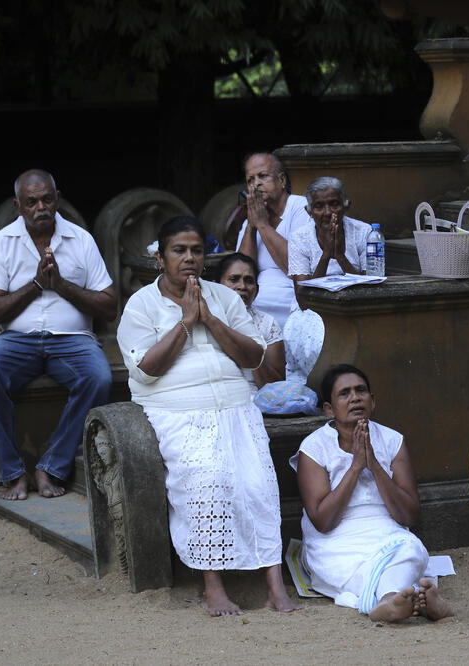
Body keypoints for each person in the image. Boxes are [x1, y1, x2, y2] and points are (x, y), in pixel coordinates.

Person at [117, 216, 301, 616]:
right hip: (178, 411)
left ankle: (274, 585)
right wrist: (185, 323)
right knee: (207, 479)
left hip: (236, 406)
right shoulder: (141, 305)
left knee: (259, 484)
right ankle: (213, 586)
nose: (188, 258)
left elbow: (254, 356)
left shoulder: (225, 297)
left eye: (196, 251)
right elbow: (146, 368)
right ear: (161, 258)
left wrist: (211, 319)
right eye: (178, 250)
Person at [0, 169, 116, 501]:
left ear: (57, 198)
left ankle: (51, 466)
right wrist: (36, 286)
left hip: (73, 339)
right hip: (15, 341)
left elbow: (108, 307)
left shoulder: (81, 240)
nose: (41, 207)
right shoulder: (1, 242)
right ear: (18, 205)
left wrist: (60, 285)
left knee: (98, 377)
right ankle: (12, 471)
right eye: (32, 201)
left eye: (47, 199)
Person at [289, 364, 452, 622]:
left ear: (372, 401)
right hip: (335, 542)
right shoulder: (314, 447)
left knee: (411, 548)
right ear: (329, 409)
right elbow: (322, 521)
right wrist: (355, 468)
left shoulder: (392, 440)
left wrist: (374, 465)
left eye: (361, 391)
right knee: (345, 566)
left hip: (388, 533)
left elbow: (408, 516)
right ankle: (410, 599)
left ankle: (390, 600)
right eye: (345, 393)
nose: (355, 397)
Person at [235, 152, 312, 328]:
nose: (256, 184)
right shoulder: (252, 219)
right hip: (254, 301)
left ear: (282, 180)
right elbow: (241, 269)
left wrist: (263, 225)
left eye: (262, 176)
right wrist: (252, 225)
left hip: (293, 302)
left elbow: (296, 267)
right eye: (250, 180)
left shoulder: (301, 209)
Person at [216, 252, 286, 394]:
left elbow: (276, 388)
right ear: (216, 286)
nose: (242, 286)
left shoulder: (266, 324)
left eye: (249, 280)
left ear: (257, 290)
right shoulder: (203, 319)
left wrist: (250, 345)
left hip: (252, 400)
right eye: (234, 279)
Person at [287, 176, 372, 282]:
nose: (327, 212)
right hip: (315, 299)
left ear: (346, 206)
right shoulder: (299, 238)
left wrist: (340, 257)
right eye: (318, 206)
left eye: (334, 204)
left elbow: (370, 286)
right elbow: (301, 296)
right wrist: (326, 255)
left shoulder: (364, 232)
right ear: (309, 211)